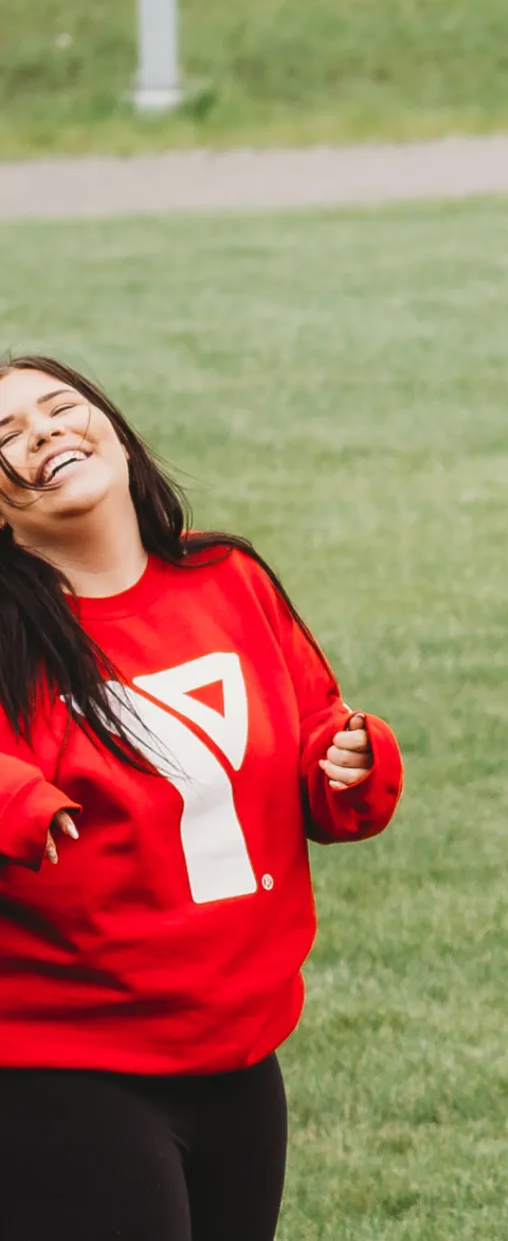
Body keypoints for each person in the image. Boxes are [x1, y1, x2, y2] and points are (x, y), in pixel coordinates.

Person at [0, 354, 403, 1241]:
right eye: (8, 437)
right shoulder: (11, 635)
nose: (45, 433)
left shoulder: (231, 580)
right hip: (60, 1063)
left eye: (62, 407)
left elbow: (315, 740)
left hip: (239, 1045)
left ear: (115, 430)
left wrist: (350, 762)